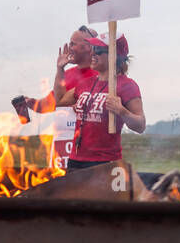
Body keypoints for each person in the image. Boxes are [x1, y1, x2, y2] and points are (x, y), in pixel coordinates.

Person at [54, 34, 146, 169]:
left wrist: (122, 111)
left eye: (97, 50)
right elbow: (60, 100)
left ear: (114, 56)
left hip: (106, 163)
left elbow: (140, 125)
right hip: (76, 160)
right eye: (92, 49)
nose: (92, 54)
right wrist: (60, 69)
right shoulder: (86, 83)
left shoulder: (127, 86)